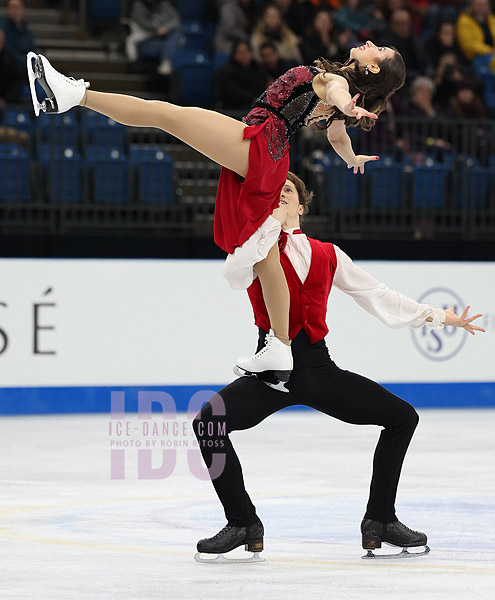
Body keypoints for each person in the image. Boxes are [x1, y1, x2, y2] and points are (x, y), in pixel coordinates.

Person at [26, 40, 405, 387]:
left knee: (165, 115)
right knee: (267, 256)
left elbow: (336, 96)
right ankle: (280, 347)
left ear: (373, 69)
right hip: (269, 152)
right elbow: (337, 135)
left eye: (379, 50)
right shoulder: (337, 86)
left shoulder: (333, 82)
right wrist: (351, 155)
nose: (370, 43)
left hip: (261, 143)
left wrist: (344, 104)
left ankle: (74, 95)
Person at [192, 171, 486, 561]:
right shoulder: (253, 247)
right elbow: (232, 275)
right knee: (208, 423)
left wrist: (439, 316)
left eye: (289, 191)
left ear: (302, 205)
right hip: (271, 370)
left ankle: (380, 520)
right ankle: (243, 522)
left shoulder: (328, 254)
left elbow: (378, 295)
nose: (280, 195)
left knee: (402, 418)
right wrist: (265, 230)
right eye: (274, 192)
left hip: (317, 368)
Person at [127, 0, 182, 75]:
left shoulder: (163, 3)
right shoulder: (138, 5)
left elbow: (175, 19)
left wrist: (165, 28)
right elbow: (146, 24)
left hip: (162, 38)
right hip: (145, 41)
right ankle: (166, 61)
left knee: (176, 34)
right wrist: (159, 25)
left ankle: (165, 62)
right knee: (170, 45)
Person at [213, 40, 267, 111]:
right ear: (234, 55)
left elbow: (261, 88)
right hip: (232, 109)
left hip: (255, 108)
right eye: (240, 52)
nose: (243, 55)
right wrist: (251, 97)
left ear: (251, 53)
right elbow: (230, 93)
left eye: (246, 52)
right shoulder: (226, 72)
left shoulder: (258, 69)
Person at [1, 0, 36, 69]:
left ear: (23, 8)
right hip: (10, 68)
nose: (14, 11)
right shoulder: (3, 26)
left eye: (17, 7)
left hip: (27, 66)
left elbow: (32, 49)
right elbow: (9, 52)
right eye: (11, 7)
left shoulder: (25, 29)